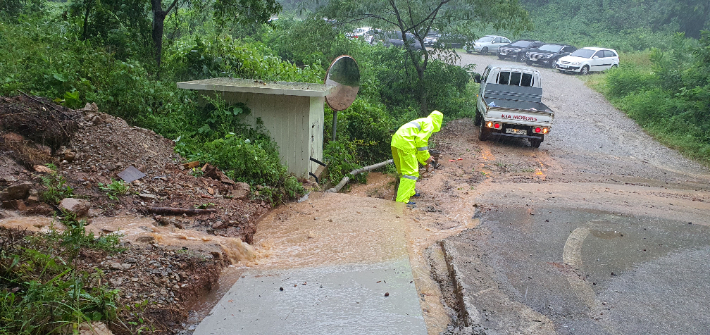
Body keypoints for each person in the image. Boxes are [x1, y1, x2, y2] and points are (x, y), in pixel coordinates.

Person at [391, 110, 443, 204]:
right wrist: (427, 157)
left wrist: (424, 162)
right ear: (438, 121)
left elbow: (418, 149)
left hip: (396, 142)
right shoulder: (430, 124)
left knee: (404, 172)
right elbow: (421, 142)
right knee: (411, 173)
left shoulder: (423, 121)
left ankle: (410, 192)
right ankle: (402, 201)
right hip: (406, 143)